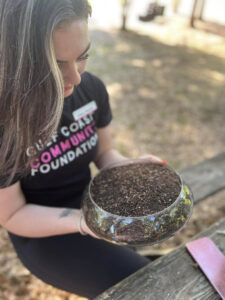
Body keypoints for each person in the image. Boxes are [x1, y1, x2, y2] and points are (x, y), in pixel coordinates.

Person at [0, 0, 163, 298]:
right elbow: (12, 215)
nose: (76, 78)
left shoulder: (92, 89)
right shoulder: (5, 124)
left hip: (97, 211)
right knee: (145, 287)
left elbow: (104, 154)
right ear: (16, 59)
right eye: (56, 63)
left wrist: (130, 167)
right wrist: (82, 222)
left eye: (83, 56)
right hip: (44, 234)